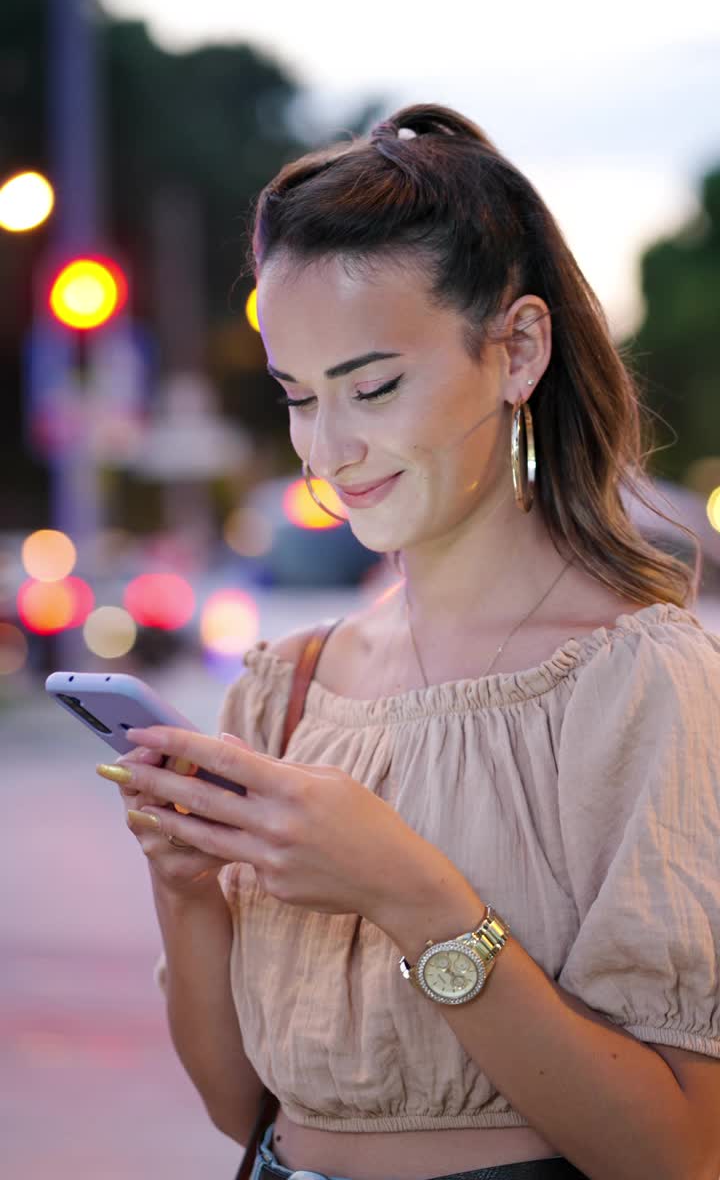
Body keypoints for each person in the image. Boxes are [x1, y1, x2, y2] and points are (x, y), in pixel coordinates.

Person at [97, 104, 720, 1180]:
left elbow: (676, 1150)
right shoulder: (287, 691)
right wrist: (186, 885)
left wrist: (412, 894)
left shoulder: (635, 679)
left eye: (374, 386)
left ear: (517, 348)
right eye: (298, 395)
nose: (330, 449)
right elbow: (238, 1104)